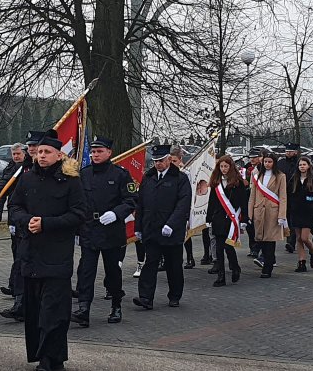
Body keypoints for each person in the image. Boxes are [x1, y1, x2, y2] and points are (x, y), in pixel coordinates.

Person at [7, 135, 88, 371]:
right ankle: (48, 355)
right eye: (39, 151)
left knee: (52, 310)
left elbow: (79, 214)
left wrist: (47, 224)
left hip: (57, 255)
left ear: (59, 155)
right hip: (30, 254)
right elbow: (15, 206)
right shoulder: (27, 178)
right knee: (34, 310)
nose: (41, 155)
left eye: (46, 152)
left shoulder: (70, 182)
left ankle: (46, 359)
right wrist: (26, 221)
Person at [73, 137, 136, 326]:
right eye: (93, 151)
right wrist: (77, 229)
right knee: (86, 271)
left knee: (112, 272)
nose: (95, 154)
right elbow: (77, 202)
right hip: (89, 229)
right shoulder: (84, 174)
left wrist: (116, 214)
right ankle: (84, 309)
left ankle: (116, 306)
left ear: (109, 153)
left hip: (111, 230)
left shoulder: (120, 174)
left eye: (99, 151)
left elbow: (131, 200)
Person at [132, 145, 192, 309]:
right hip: (151, 229)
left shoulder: (180, 179)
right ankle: (146, 298)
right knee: (150, 263)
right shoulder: (149, 178)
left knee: (173, 265)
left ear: (168, 160)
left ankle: (174, 296)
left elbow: (183, 205)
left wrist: (171, 224)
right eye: (155, 161)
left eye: (161, 160)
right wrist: (138, 226)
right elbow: (141, 204)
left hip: (171, 231)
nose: (158, 164)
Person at [0, 136, 37, 320]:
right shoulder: (19, 168)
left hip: (44, 225)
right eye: (31, 146)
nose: (34, 149)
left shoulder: (49, 168)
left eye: (36, 146)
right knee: (20, 262)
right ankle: (19, 303)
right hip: (22, 223)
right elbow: (6, 185)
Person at [206, 155, 247, 286]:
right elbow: (211, 202)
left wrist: (244, 219)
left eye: (226, 166)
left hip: (231, 218)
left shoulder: (238, 183)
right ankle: (221, 276)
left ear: (231, 167)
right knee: (219, 248)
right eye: (221, 166)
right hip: (218, 218)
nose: (223, 169)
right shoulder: (216, 183)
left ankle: (235, 268)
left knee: (228, 247)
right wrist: (208, 218)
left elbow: (243, 202)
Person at [248, 151, 287, 277]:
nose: (267, 164)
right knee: (260, 238)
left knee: (270, 240)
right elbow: (252, 195)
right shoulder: (257, 175)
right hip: (259, 210)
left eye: (270, 162)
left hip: (273, 211)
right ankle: (264, 262)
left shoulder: (281, 176)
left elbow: (283, 197)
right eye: (265, 161)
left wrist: (282, 215)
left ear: (274, 163)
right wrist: (249, 213)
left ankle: (268, 267)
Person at [286, 155, 313, 272]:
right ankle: (301, 262)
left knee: (305, 238)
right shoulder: (293, 179)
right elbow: (290, 196)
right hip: (296, 212)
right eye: (300, 165)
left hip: (308, 212)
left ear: (309, 166)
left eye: (304, 164)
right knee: (299, 238)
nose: (302, 167)